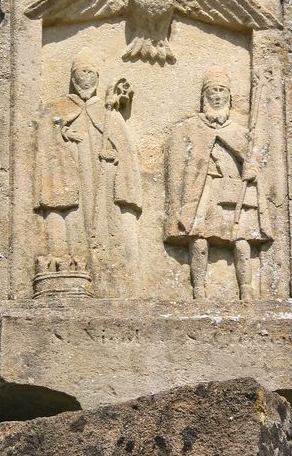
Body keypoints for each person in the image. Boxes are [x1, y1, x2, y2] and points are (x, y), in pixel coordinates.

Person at [36, 49, 142, 295]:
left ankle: (108, 275)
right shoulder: (59, 107)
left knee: (104, 224)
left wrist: (113, 157)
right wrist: (62, 135)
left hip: (101, 178)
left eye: (92, 73)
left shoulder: (108, 114)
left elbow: (124, 149)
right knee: (74, 219)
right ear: (74, 78)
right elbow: (47, 136)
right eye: (83, 72)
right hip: (71, 175)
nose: (88, 77)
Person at [165, 65, 272, 299]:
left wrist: (252, 169)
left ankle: (246, 290)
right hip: (204, 190)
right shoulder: (191, 128)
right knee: (199, 239)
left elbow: (253, 161)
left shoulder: (240, 132)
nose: (217, 95)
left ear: (230, 97)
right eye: (212, 90)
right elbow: (181, 163)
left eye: (222, 90)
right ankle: (199, 290)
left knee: (242, 240)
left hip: (232, 188)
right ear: (204, 95)